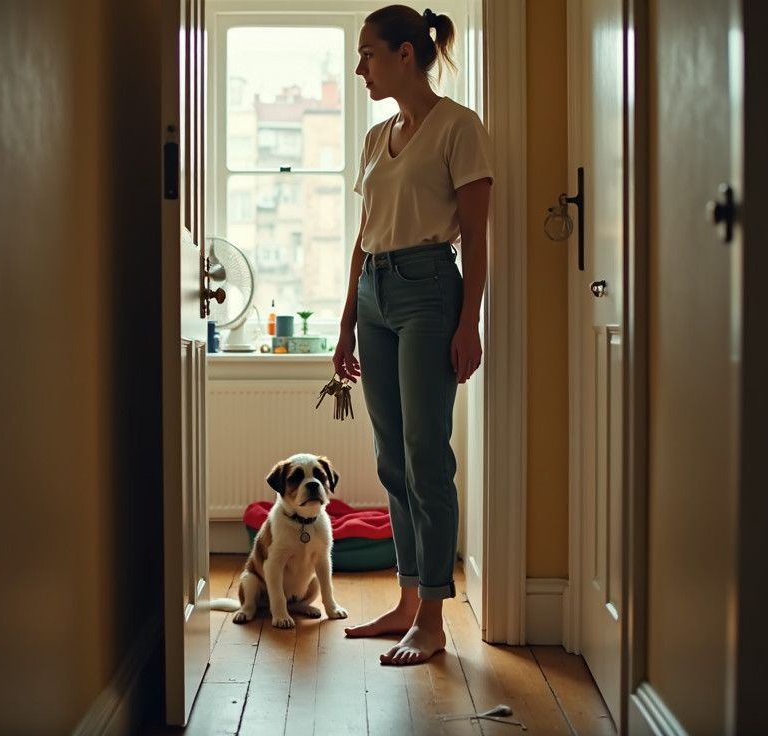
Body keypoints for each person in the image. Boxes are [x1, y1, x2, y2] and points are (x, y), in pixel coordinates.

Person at [333, 4, 492, 666]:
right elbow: (364, 235)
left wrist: (469, 322)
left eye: (368, 53)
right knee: (392, 458)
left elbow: (478, 237)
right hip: (375, 292)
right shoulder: (376, 137)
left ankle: (432, 618)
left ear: (405, 53)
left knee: (428, 456)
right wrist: (345, 322)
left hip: (431, 291)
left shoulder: (460, 127)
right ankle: (404, 601)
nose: (361, 67)